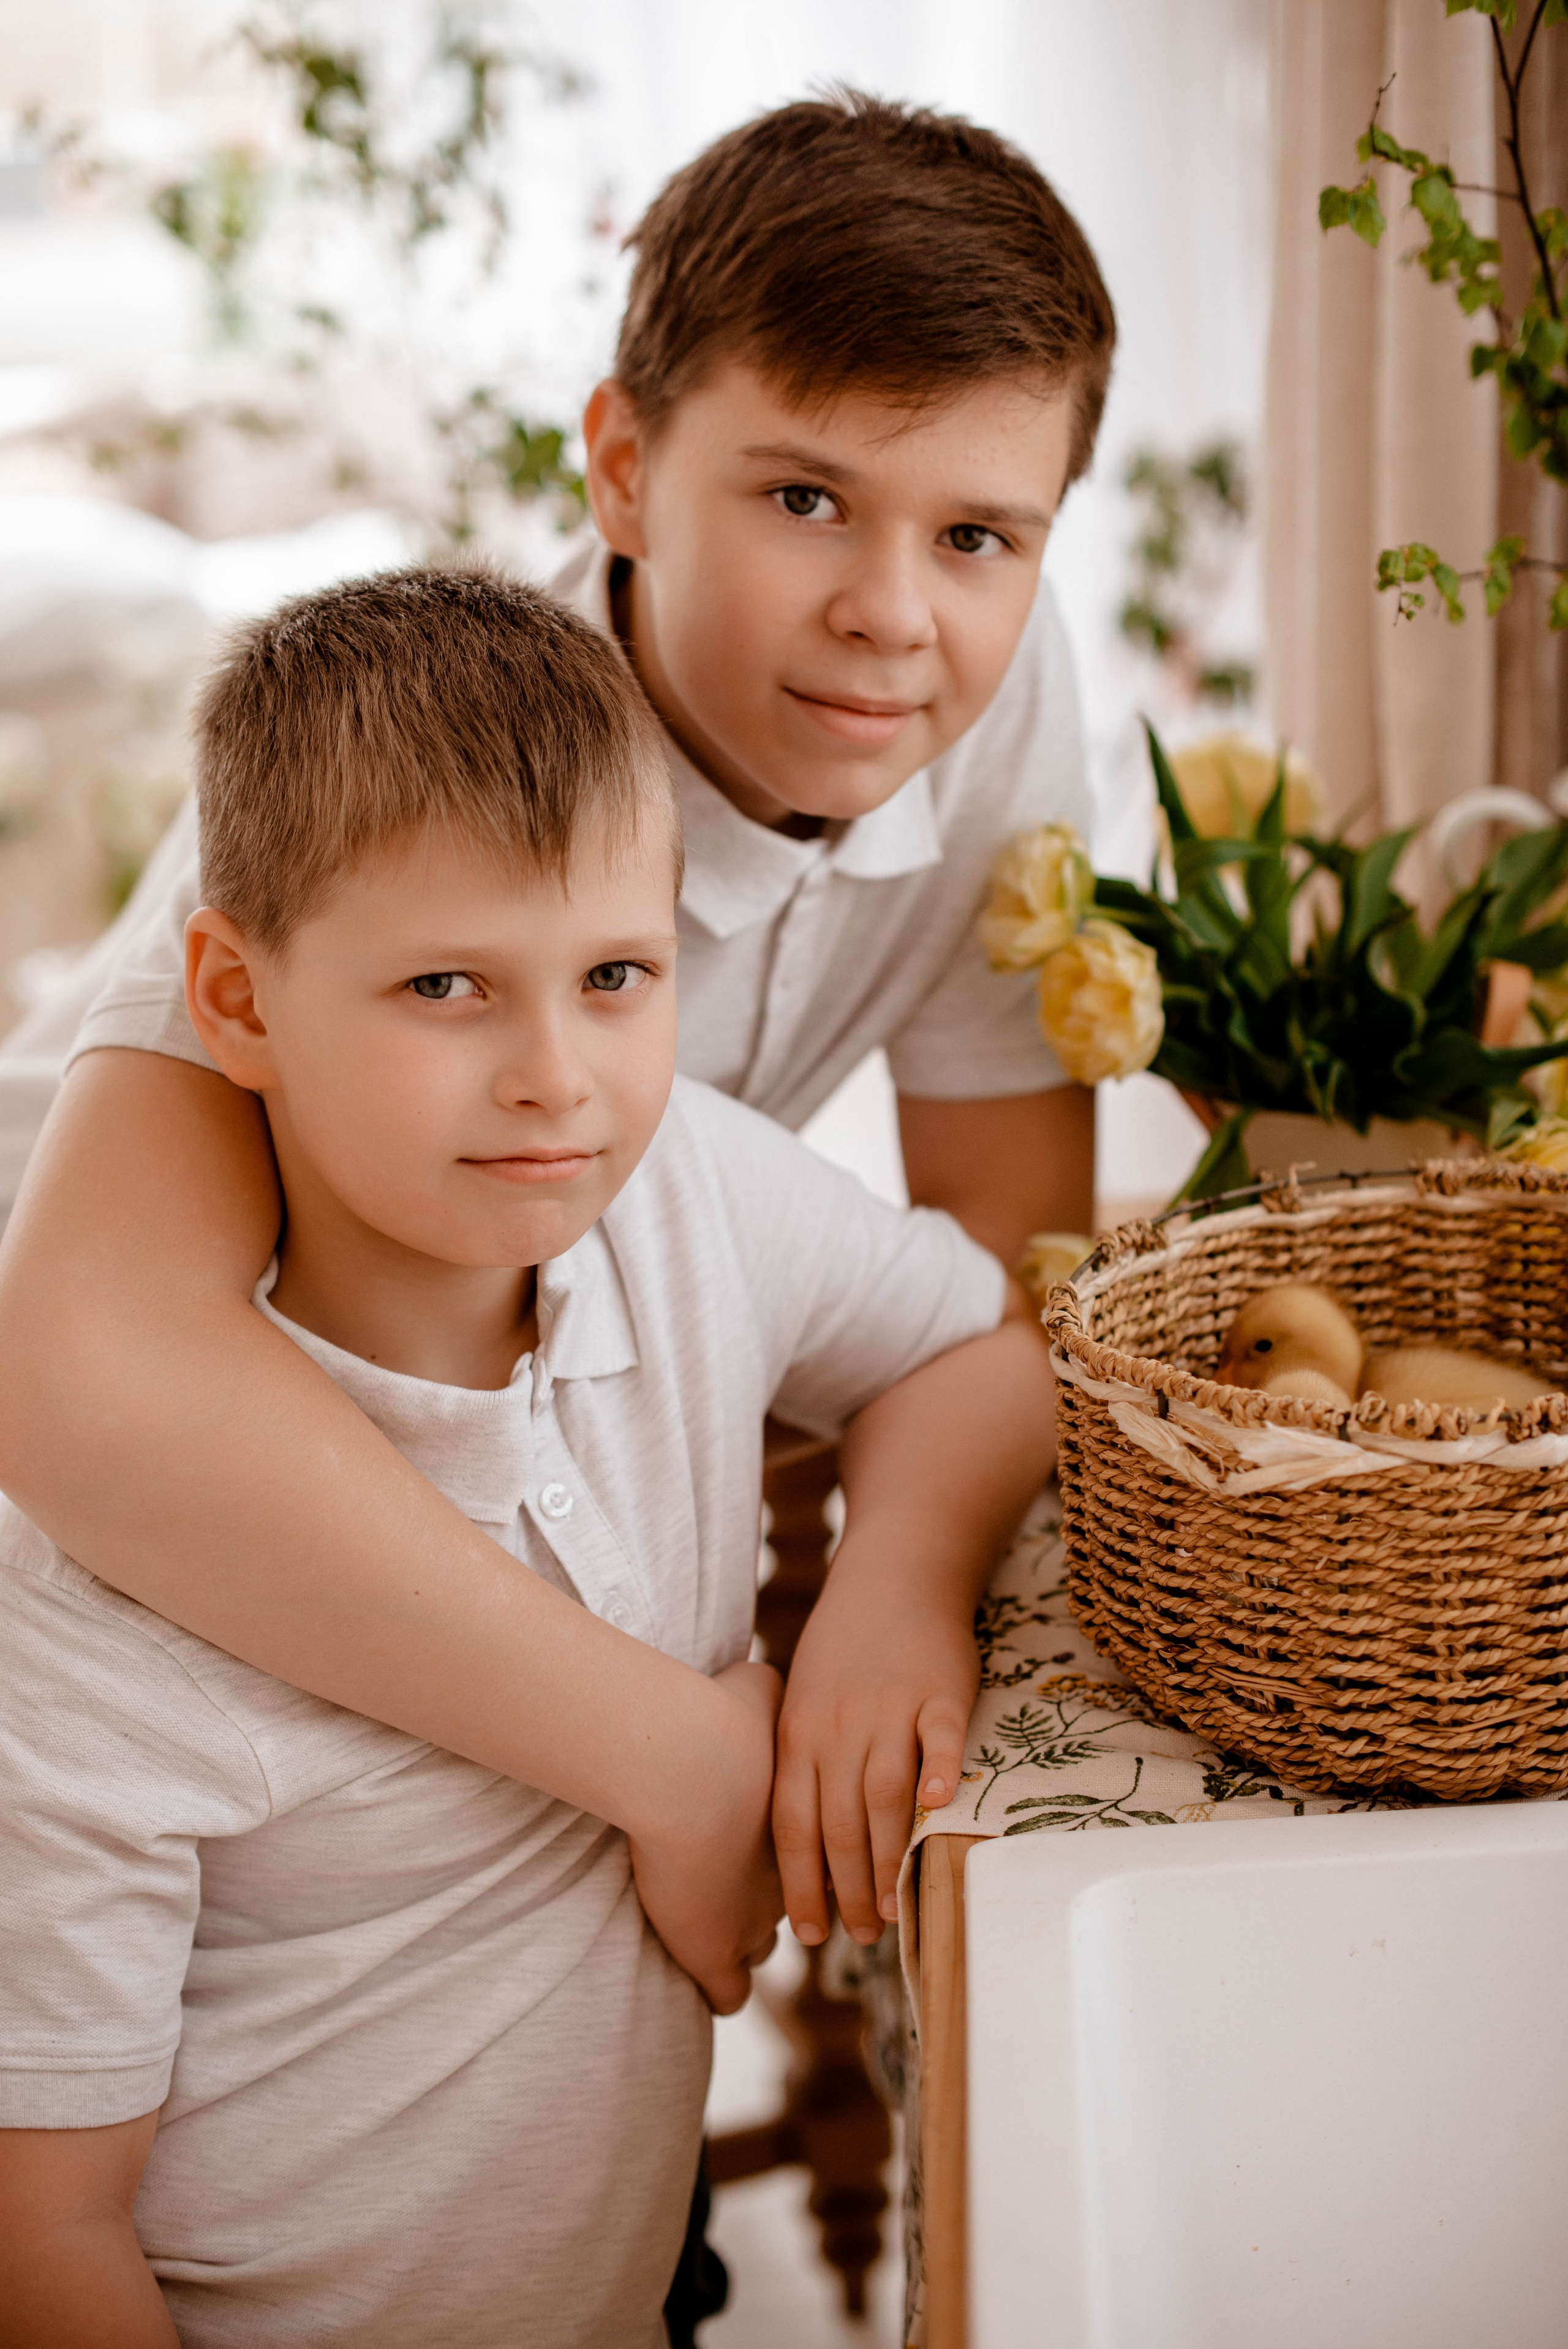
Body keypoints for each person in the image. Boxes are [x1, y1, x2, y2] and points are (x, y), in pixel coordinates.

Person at [0, 91, 1114, 1950]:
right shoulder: (417, 762)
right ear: (618, 468)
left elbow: (1004, 1277)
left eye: (983, 535)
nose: (892, 612)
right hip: (143, 1494)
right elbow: (83, 1382)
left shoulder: (985, 692)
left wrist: (894, 1569)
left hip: (527, 1405)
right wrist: (678, 1756)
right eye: (802, 495)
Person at [0, 570, 1055, 2349]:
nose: (554, 1076)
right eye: (445, 986)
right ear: (232, 1001)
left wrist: (890, 1591)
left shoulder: (690, 1200)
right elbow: (44, 2232)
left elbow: (984, 1346)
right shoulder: (97, 1604)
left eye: (616, 975)